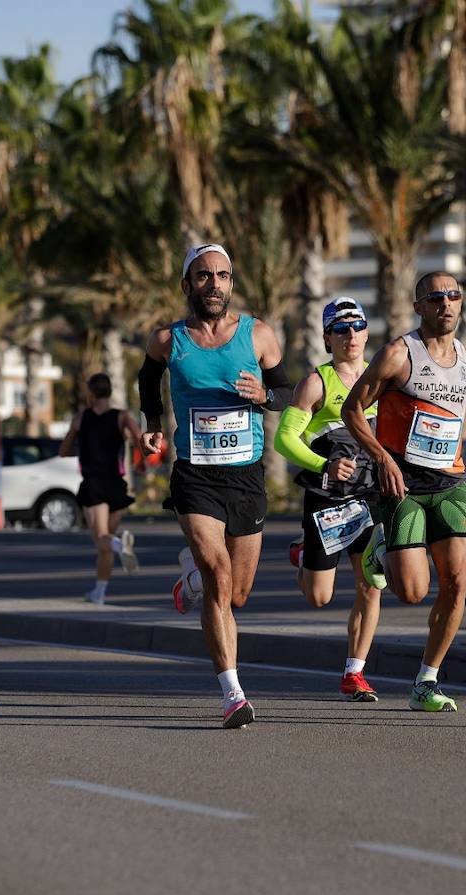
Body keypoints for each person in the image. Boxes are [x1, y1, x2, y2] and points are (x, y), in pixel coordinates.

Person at [137, 243, 294, 729]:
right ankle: (233, 693)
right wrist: (152, 421)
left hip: (245, 476)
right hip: (196, 476)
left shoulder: (259, 335)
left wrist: (264, 395)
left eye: (223, 276)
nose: (215, 285)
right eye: (204, 277)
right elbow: (148, 380)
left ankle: (190, 580)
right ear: (187, 285)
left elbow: (286, 393)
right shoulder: (168, 340)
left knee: (238, 594)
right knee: (219, 577)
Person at [342, 272, 466, 713]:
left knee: (457, 581)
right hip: (403, 484)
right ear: (419, 307)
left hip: (450, 483)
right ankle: (380, 547)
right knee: (412, 592)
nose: (447, 304)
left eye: (454, 296)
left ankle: (426, 681)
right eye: (436, 298)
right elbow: (352, 409)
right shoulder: (398, 354)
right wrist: (382, 458)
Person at [275, 297, 383, 702]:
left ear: (368, 332)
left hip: (370, 495)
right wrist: (323, 465)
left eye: (357, 326)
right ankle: (304, 553)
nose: (350, 334)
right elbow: (284, 440)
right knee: (318, 597)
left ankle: (354, 672)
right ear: (327, 337)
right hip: (328, 499)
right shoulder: (316, 383)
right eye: (340, 328)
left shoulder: (381, 378)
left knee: (372, 582)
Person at [59, 372, 144, 605]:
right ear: (109, 391)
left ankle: (120, 544)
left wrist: (83, 447)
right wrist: (141, 462)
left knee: (101, 540)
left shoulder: (80, 418)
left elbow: (63, 450)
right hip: (116, 483)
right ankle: (99, 592)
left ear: (91, 392)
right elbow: (140, 441)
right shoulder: (122, 417)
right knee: (104, 545)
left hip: (94, 482)